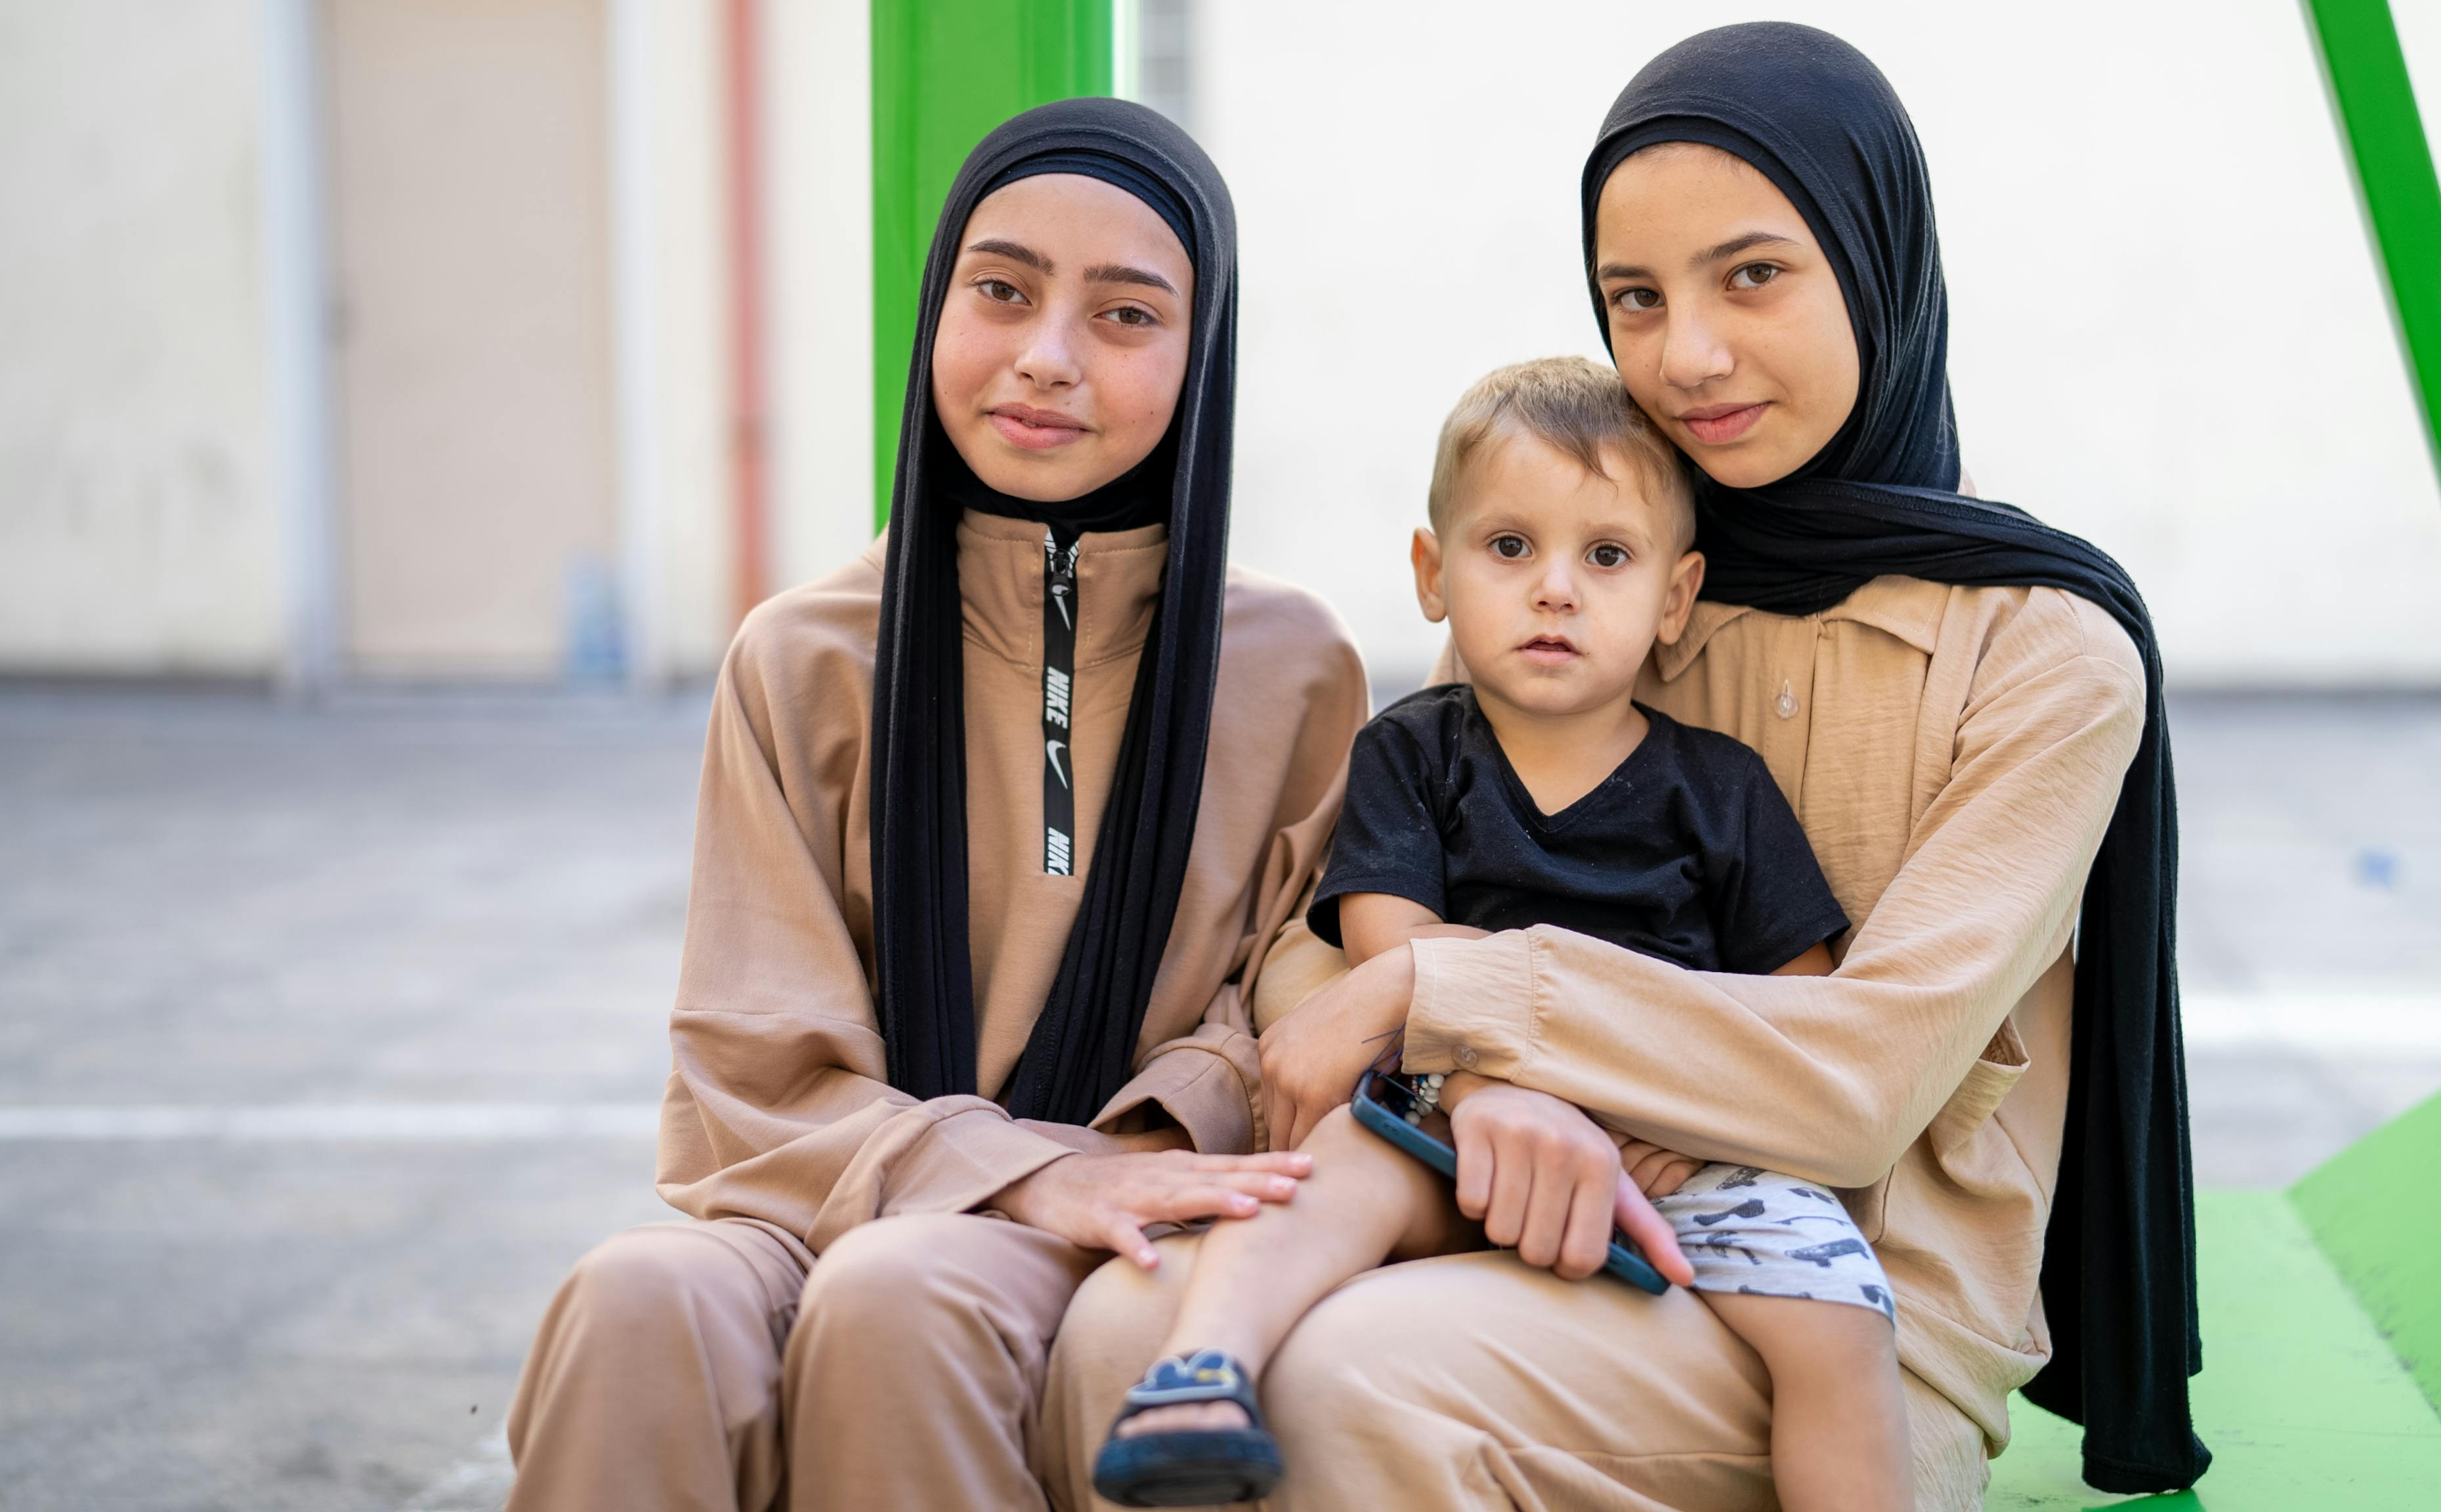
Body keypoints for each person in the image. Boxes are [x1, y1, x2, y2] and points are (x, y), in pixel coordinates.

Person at [1042, 24, 2206, 1512]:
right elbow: (1330, 948)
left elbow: (1857, 1080)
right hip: (1485, 1197)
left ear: (1875, 258)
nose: (1689, 355)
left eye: (1755, 275)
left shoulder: (2042, 651)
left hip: (1836, 1307)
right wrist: (1472, 1089)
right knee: (1120, 1333)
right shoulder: (1594, 565)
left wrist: (1452, 1005)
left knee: (1348, 1390)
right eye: (1635, 300)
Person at [501, 98, 1370, 1512]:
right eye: (1002, 290)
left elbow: (1281, 1009)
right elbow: (754, 1066)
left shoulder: (1292, 668)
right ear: (938, 308)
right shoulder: (805, 654)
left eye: (1126, 314)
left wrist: (1098, 1168)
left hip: (1122, 1198)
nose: (1044, 357)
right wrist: (994, 1170)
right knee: (635, 1297)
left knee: (904, 1296)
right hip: (836, 1191)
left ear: (1202, 357)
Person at [1091, 357, 1911, 1512]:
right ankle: (1200, 1374)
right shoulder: (1415, 751)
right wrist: (1495, 1079)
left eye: (1607, 556)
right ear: (1434, 572)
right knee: (1336, 1168)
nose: (1556, 591)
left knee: (1838, 1314)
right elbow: (1394, 940)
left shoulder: (1719, 788)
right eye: (1510, 547)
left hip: (1671, 1145)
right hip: (1458, 1112)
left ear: (1675, 598)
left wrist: (1689, 1111)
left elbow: (1801, 994)